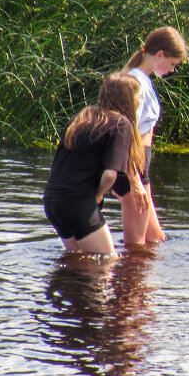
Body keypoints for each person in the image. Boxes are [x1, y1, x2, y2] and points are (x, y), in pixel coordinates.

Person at [44, 73, 149, 257]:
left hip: (53, 200)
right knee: (107, 262)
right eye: (138, 96)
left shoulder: (82, 117)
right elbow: (110, 175)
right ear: (127, 98)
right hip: (78, 202)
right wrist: (99, 194)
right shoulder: (120, 124)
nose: (139, 101)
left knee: (77, 260)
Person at [114, 26, 189, 246]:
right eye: (173, 64)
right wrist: (134, 179)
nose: (173, 70)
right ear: (159, 55)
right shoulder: (135, 83)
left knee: (154, 240)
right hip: (133, 169)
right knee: (136, 246)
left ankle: (139, 281)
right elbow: (125, 134)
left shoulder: (143, 80)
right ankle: (126, 280)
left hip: (140, 167)